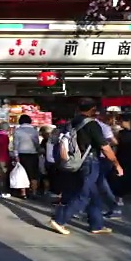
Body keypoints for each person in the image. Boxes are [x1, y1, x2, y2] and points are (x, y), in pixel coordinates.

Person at [50, 98, 123, 235]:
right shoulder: (92, 125)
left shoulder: (71, 123)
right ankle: (59, 220)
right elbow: (105, 147)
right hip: (89, 162)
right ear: (93, 109)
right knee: (83, 195)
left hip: (74, 162)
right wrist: (116, 164)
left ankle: (97, 224)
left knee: (93, 194)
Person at [13, 114, 40, 198]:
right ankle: (34, 192)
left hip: (22, 154)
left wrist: (16, 156)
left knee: (22, 173)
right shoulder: (34, 131)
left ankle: (23, 193)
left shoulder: (17, 131)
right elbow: (36, 143)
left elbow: (15, 145)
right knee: (33, 174)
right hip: (33, 154)